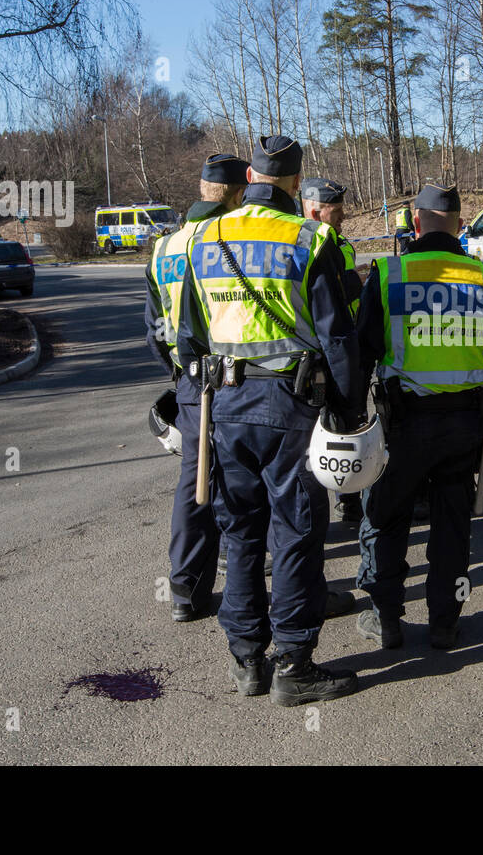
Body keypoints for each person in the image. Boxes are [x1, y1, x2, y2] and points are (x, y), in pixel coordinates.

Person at [178, 134, 363, 706]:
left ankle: (246, 658)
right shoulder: (311, 238)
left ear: (252, 177)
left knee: (240, 534)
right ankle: (294, 661)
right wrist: (349, 412)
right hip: (292, 406)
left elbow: (188, 338)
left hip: (225, 407)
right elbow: (338, 338)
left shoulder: (204, 237)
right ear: (292, 182)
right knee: (296, 532)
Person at [353, 183, 483, 650]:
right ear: (460, 225)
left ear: (415, 222)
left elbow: (362, 352)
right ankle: (445, 622)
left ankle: (385, 617)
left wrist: (351, 418)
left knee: (387, 518)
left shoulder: (388, 274)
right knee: (453, 524)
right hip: (466, 423)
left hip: (404, 424)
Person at [145, 153, 246, 621]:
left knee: (194, 480)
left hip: (189, 379)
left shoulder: (165, 246)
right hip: (231, 375)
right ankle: (259, 579)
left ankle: (185, 589)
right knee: (247, 476)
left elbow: (153, 328)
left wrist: (179, 373)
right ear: (236, 193)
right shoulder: (222, 240)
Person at [300, 177, 364, 527]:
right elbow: (331, 292)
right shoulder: (307, 244)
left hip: (343, 342)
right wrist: (357, 281)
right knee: (315, 434)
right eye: (335, 211)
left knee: (345, 428)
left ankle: (349, 498)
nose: (342, 216)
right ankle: (314, 513)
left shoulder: (336, 240)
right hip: (316, 352)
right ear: (314, 210)